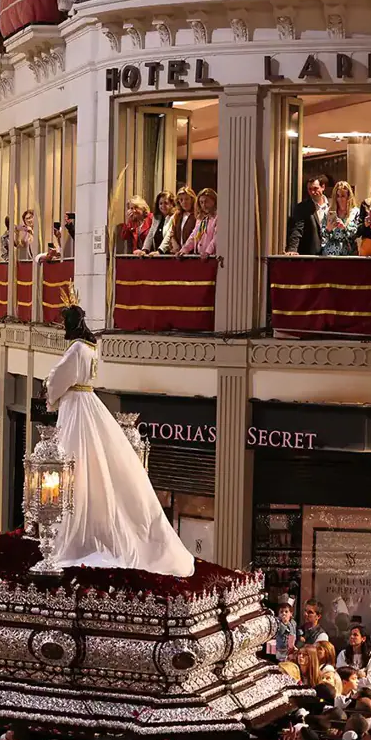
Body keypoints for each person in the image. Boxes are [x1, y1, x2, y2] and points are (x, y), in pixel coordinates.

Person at [43, 296, 195, 577]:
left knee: (74, 461)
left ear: (73, 323)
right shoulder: (91, 346)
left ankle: (78, 531)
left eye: (65, 320)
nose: (62, 325)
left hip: (77, 405)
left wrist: (48, 389)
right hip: (88, 403)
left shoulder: (77, 348)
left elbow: (59, 378)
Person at [287, 175, 330, 256]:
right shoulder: (303, 208)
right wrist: (292, 249)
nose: (313, 192)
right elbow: (297, 230)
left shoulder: (332, 206)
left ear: (323, 187)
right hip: (312, 255)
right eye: (310, 189)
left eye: (315, 188)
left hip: (330, 253)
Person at [323, 180, 360, 256]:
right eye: (338, 196)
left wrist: (344, 228)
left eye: (343, 196)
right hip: (330, 254)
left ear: (348, 197)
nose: (340, 199)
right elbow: (322, 236)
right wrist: (328, 229)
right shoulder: (329, 212)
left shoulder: (355, 212)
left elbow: (356, 234)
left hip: (348, 254)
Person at [178, 188, 217, 258]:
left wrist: (208, 252)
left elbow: (217, 238)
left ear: (214, 201)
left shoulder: (218, 218)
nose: (204, 205)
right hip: (199, 256)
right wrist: (184, 250)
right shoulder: (201, 219)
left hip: (212, 257)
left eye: (206, 201)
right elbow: (193, 236)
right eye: (201, 202)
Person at [139, 191, 176, 255]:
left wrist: (159, 251)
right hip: (158, 254)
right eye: (160, 203)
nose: (163, 206)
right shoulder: (156, 218)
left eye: (166, 203)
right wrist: (145, 250)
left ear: (172, 204)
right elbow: (150, 235)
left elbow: (168, 235)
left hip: (170, 254)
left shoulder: (174, 217)